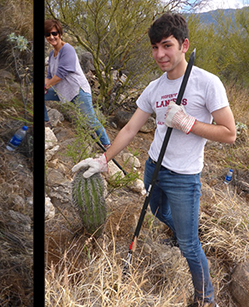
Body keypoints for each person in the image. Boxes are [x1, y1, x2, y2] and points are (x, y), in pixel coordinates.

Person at [72, 13, 235, 307]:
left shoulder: (206, 83)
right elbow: (130, 128)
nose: (160, 54)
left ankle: (206, 298)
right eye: (155, 47)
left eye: (167, 45)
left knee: (189, 246)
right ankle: (178, 227)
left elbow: (229, 133)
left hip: (185, 178)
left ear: (184, 45)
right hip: (154, 167)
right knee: (158, 211)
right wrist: (103, 159)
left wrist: (189, 124)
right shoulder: (155, 87)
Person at [44, 19, 111, 147]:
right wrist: (44, 85)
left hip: (78, 91)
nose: (51, 37)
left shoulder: (67, 49)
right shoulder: (52, 54)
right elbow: (49, 76)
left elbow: (60, 75)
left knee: (91, 120)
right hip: (62, 91)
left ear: (60, 34)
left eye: (54, 33)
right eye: (48, 34)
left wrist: (47, 86)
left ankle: (107, 145)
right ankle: (46, 123)